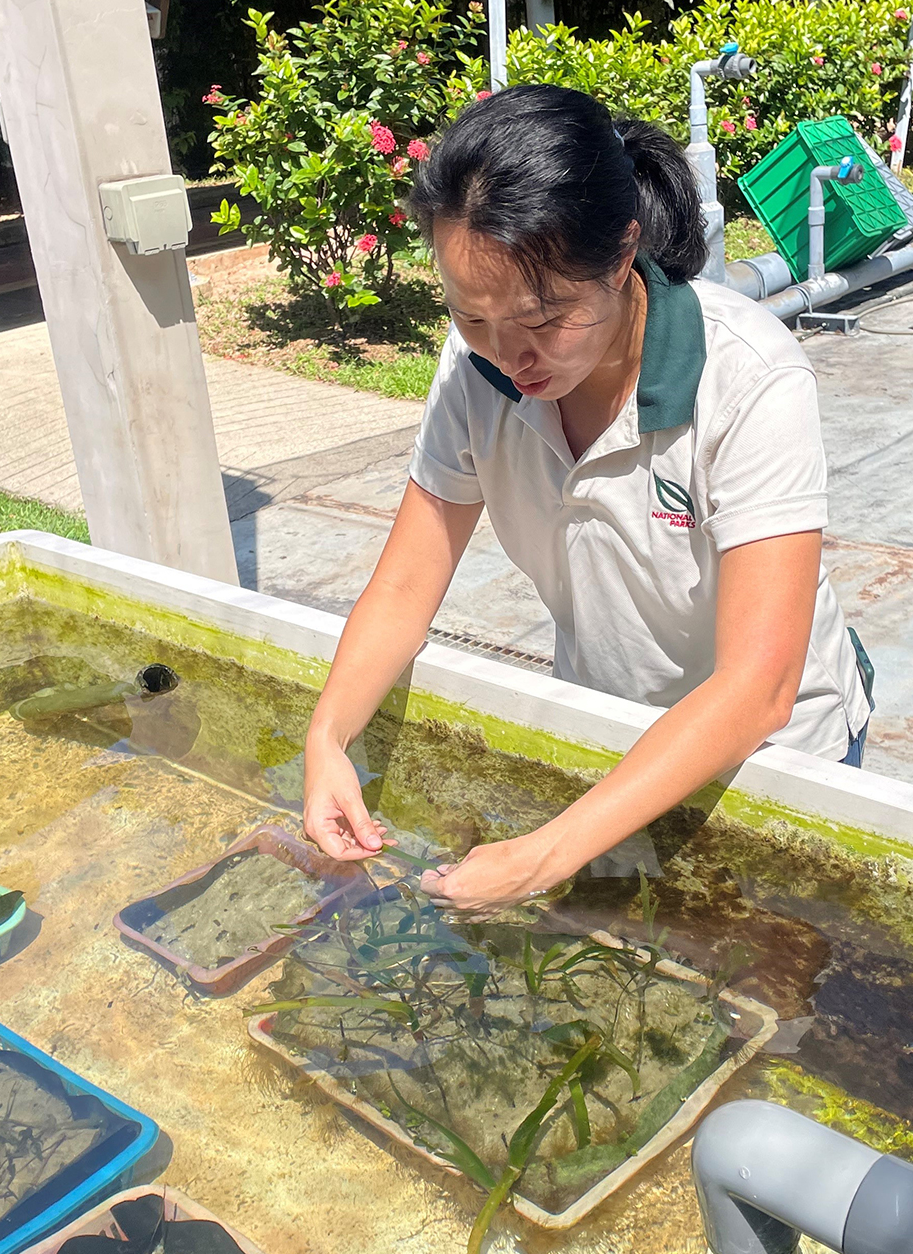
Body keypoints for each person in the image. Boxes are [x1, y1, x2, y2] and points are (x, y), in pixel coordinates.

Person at [302, 84, 873, 919]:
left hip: (777, 758)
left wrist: (543, 854)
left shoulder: (748, 377)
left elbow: (760, 684)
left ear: (621, 255)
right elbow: (401, 590)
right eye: (474, 317)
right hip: (613, 740)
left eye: (546, 318)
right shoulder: (476, 376)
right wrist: (327, 741)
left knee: (761, 990)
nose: (512, 357)